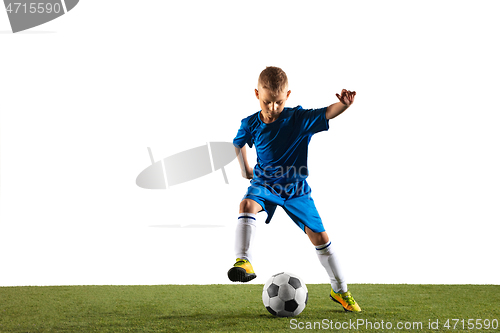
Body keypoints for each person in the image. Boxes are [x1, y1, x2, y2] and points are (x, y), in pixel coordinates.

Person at [227, 66, 361, 312]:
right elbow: (237, 143)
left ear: (287, 96)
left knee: (321, 239)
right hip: (264, 184)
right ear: (257, 94)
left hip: (296, 190)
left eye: (278, 102)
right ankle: (243, 261)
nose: (272, 108)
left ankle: (340, 290)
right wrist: (245, 169)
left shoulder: (298, 119)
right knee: (246, 205)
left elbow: (328, 113)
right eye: (267, 102)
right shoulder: (250, 123)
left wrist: (344, 105)